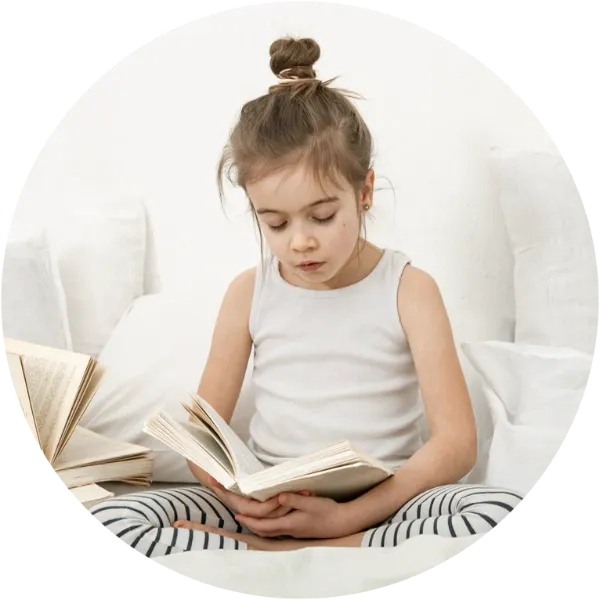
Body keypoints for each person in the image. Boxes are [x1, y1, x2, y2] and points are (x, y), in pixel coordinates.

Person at [89, 37, 523, 557]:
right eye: (275, 223)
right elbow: (202, 436)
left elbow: (456, 444)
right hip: (271, 501)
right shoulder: (248, 292)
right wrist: (240, 499)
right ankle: (282, 541)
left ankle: (310, 546)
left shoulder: (409, 289)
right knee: (112, 515)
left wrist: (347, 516)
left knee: (495, 510)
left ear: (364, 192)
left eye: (322, 216)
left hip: (384, 505)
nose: (300, 242)